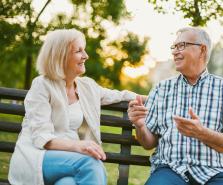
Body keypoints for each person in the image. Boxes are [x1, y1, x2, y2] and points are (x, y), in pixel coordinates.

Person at [8, 28, 139, 185]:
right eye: (79, 51)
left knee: (68, 183)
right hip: (38, 156)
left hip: (70, 162)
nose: (86, 56)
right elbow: (41, 138)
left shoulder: (86, 86)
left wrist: (155, 96)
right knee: (90, 164)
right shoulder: (42, 85)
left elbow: (120, 95)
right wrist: (79, 146)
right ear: (61, 56)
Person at [128, 27, 223, 185]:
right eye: (174, 47)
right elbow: (149, 143)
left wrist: (202, 133)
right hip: (170, 169)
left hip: (215, 172)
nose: (175, 52)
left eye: (181, 46)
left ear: (202, 49)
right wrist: (140, 125)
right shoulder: (161, 89)